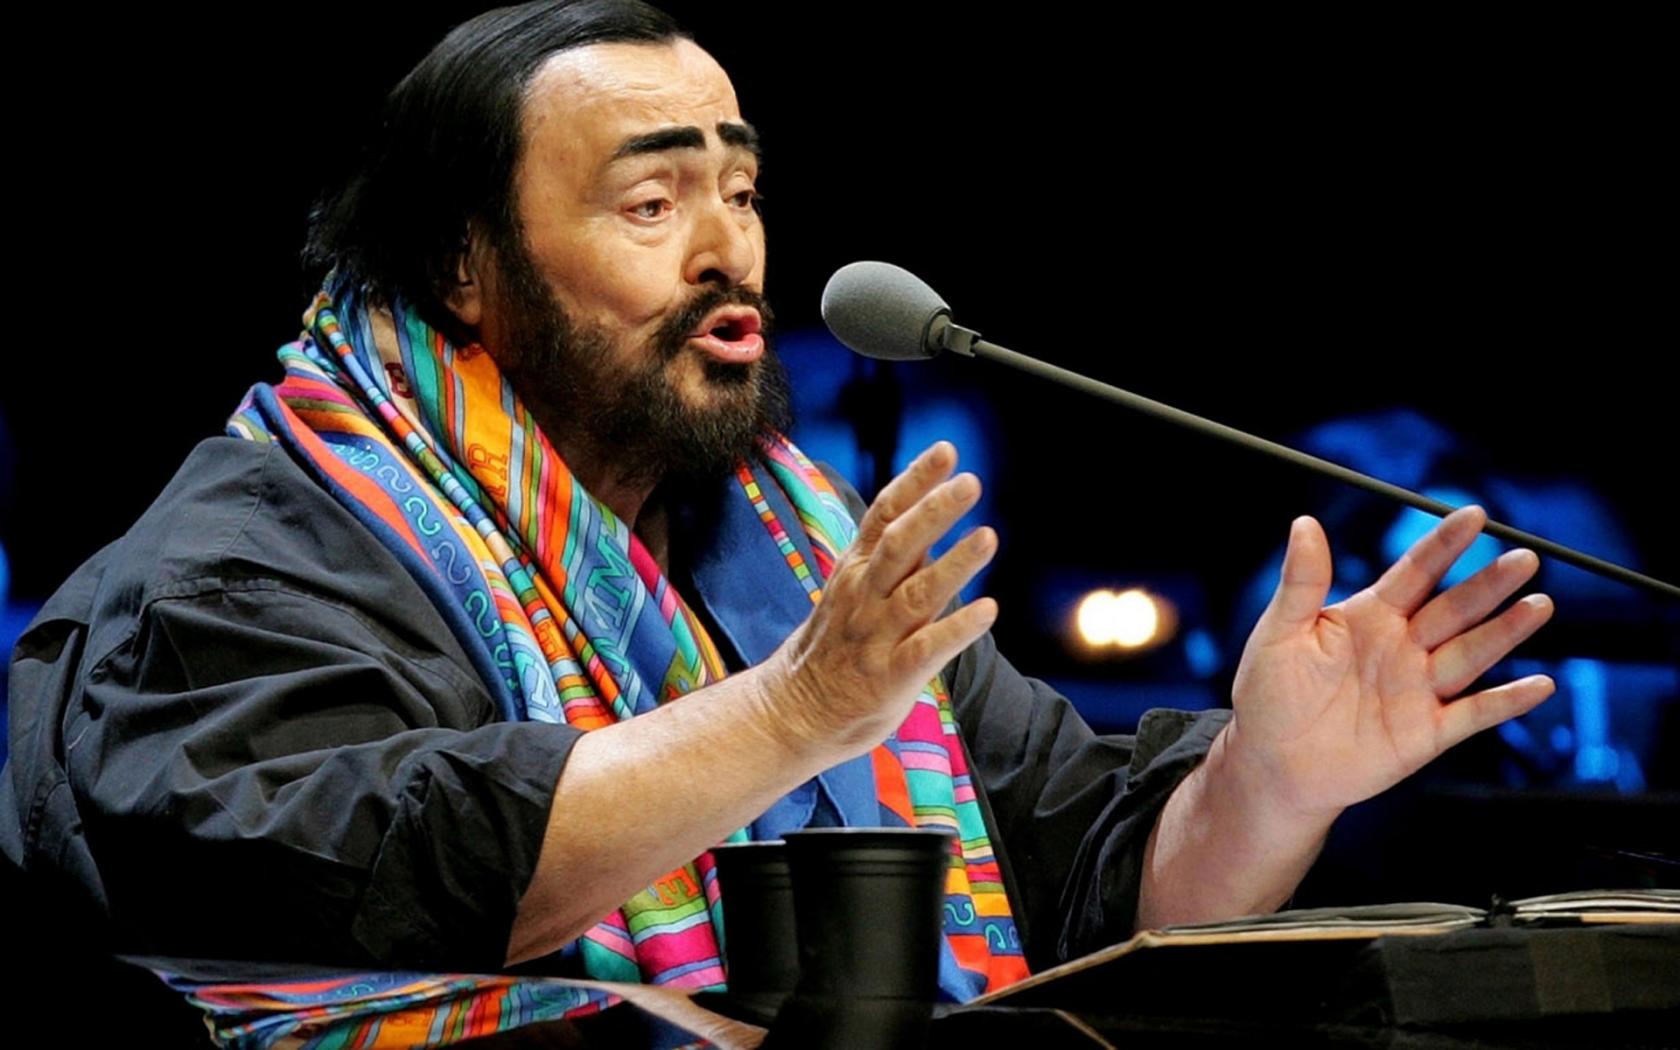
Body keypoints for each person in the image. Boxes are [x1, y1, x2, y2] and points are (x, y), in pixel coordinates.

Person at [1, 0, 1556, 1013]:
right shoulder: (257, 552)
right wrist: (795, 709)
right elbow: (361, 880)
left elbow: (1083, 888)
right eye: (651, 202)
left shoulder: (798, 538)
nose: (729, 252)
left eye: (739, 192)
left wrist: (1269, 784)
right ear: (463, 266)